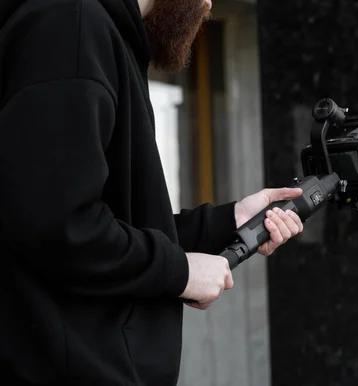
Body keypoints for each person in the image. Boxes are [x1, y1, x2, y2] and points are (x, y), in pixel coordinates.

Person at [0, 0, 304, 384]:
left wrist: (228, 222)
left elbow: (105, 223)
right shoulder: (71, 26)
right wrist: (179, 272)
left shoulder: (98, 33)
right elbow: (57, 223)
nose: (208, 6)